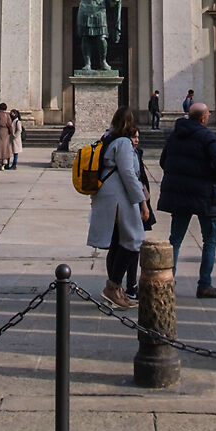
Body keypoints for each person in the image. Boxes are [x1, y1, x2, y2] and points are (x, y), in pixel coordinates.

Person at [158, 99, 216, 300]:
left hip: (180, 194)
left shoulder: (174, 136)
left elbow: (164, 161)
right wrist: (214, 178)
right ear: (204, 117)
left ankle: (167, 280)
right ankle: (204, 285)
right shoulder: (207, 136)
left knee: (175, 240)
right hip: (205, 194)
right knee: (209, 239)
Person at [91, 107, 150, 307]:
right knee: (135, 239)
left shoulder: (107, 137)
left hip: (109, 194)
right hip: (120, 196)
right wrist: (142, 202)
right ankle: (112, 286)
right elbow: (128, 173)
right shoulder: (123, 143)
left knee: (118, 242)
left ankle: (116, 291)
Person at [0, 104, 15, 170]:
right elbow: (10, 124)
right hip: (6, 132)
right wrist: (10, 131)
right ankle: (4, 163)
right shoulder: (7, 115)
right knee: (5, 147)